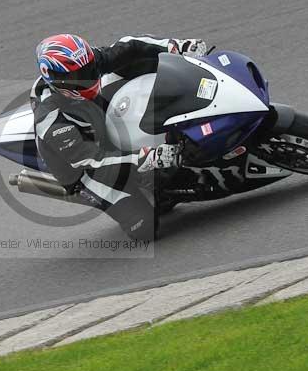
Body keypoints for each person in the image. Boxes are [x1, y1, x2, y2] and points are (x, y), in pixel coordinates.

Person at [31, 33, 207, 240]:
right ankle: (154, 190)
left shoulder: (86, 63)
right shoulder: (50, 118)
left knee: (138, 63)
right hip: (84, 169)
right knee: (144, 228)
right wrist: (146, 158)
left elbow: (129, 47)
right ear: (56, 80)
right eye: (78, 76)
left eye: (89, 68)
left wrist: (177, 46)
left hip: (96, 117)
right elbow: (91, 160)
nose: (88, 76)